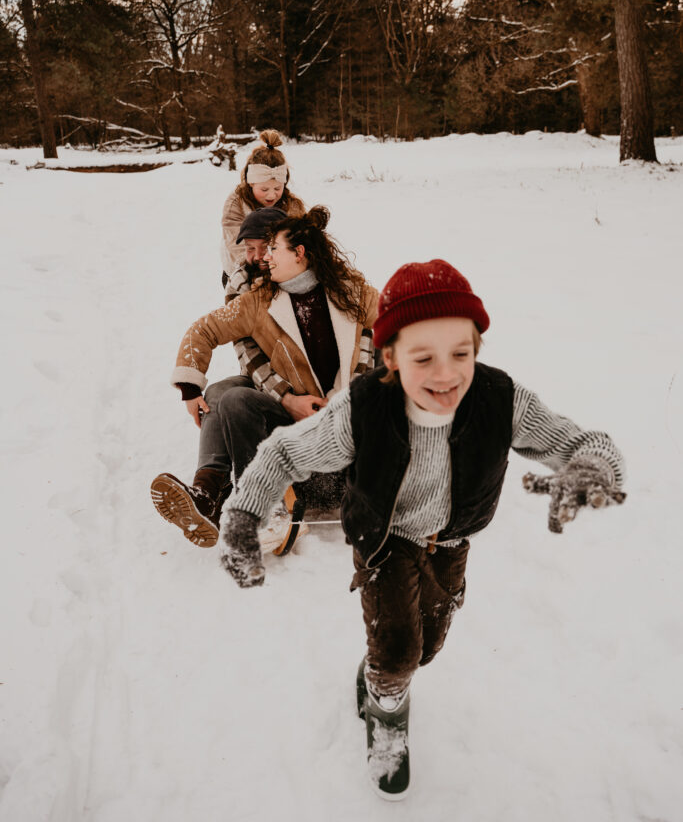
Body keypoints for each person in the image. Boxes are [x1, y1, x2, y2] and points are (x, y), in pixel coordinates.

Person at [217, 259, 626, 800]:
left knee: (428, 645)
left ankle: (381, 669)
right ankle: (386, 714)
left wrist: (591, 468)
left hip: (452, 541)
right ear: (389, 357)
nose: (446, 374)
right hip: (385, 542)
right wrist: (244, 515)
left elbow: (577, 441)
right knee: (399, 649)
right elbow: (287, 451)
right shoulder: (363, 411)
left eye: (461, 353)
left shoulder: (500, 401)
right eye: (423, 357)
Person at [152, 206, 378, 550]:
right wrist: (189, 386)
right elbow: (204, 329)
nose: (265, 258)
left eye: (274, 249)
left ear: (299, 253)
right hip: (297, 451)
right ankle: (266, 509)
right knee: (232, 397)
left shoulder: (354, 292)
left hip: (349, 455)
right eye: (261, 249)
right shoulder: (257, 302)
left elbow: (405, 323)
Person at [220, 129, 305, 283]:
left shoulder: (291, 205)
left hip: (281, 275)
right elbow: (235, 243)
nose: (271, 195)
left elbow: (302, 239)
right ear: (250, 182)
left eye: (278, 189)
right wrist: (254, 271)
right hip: (242, 273)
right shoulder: (236, 203)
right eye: (264, 189)